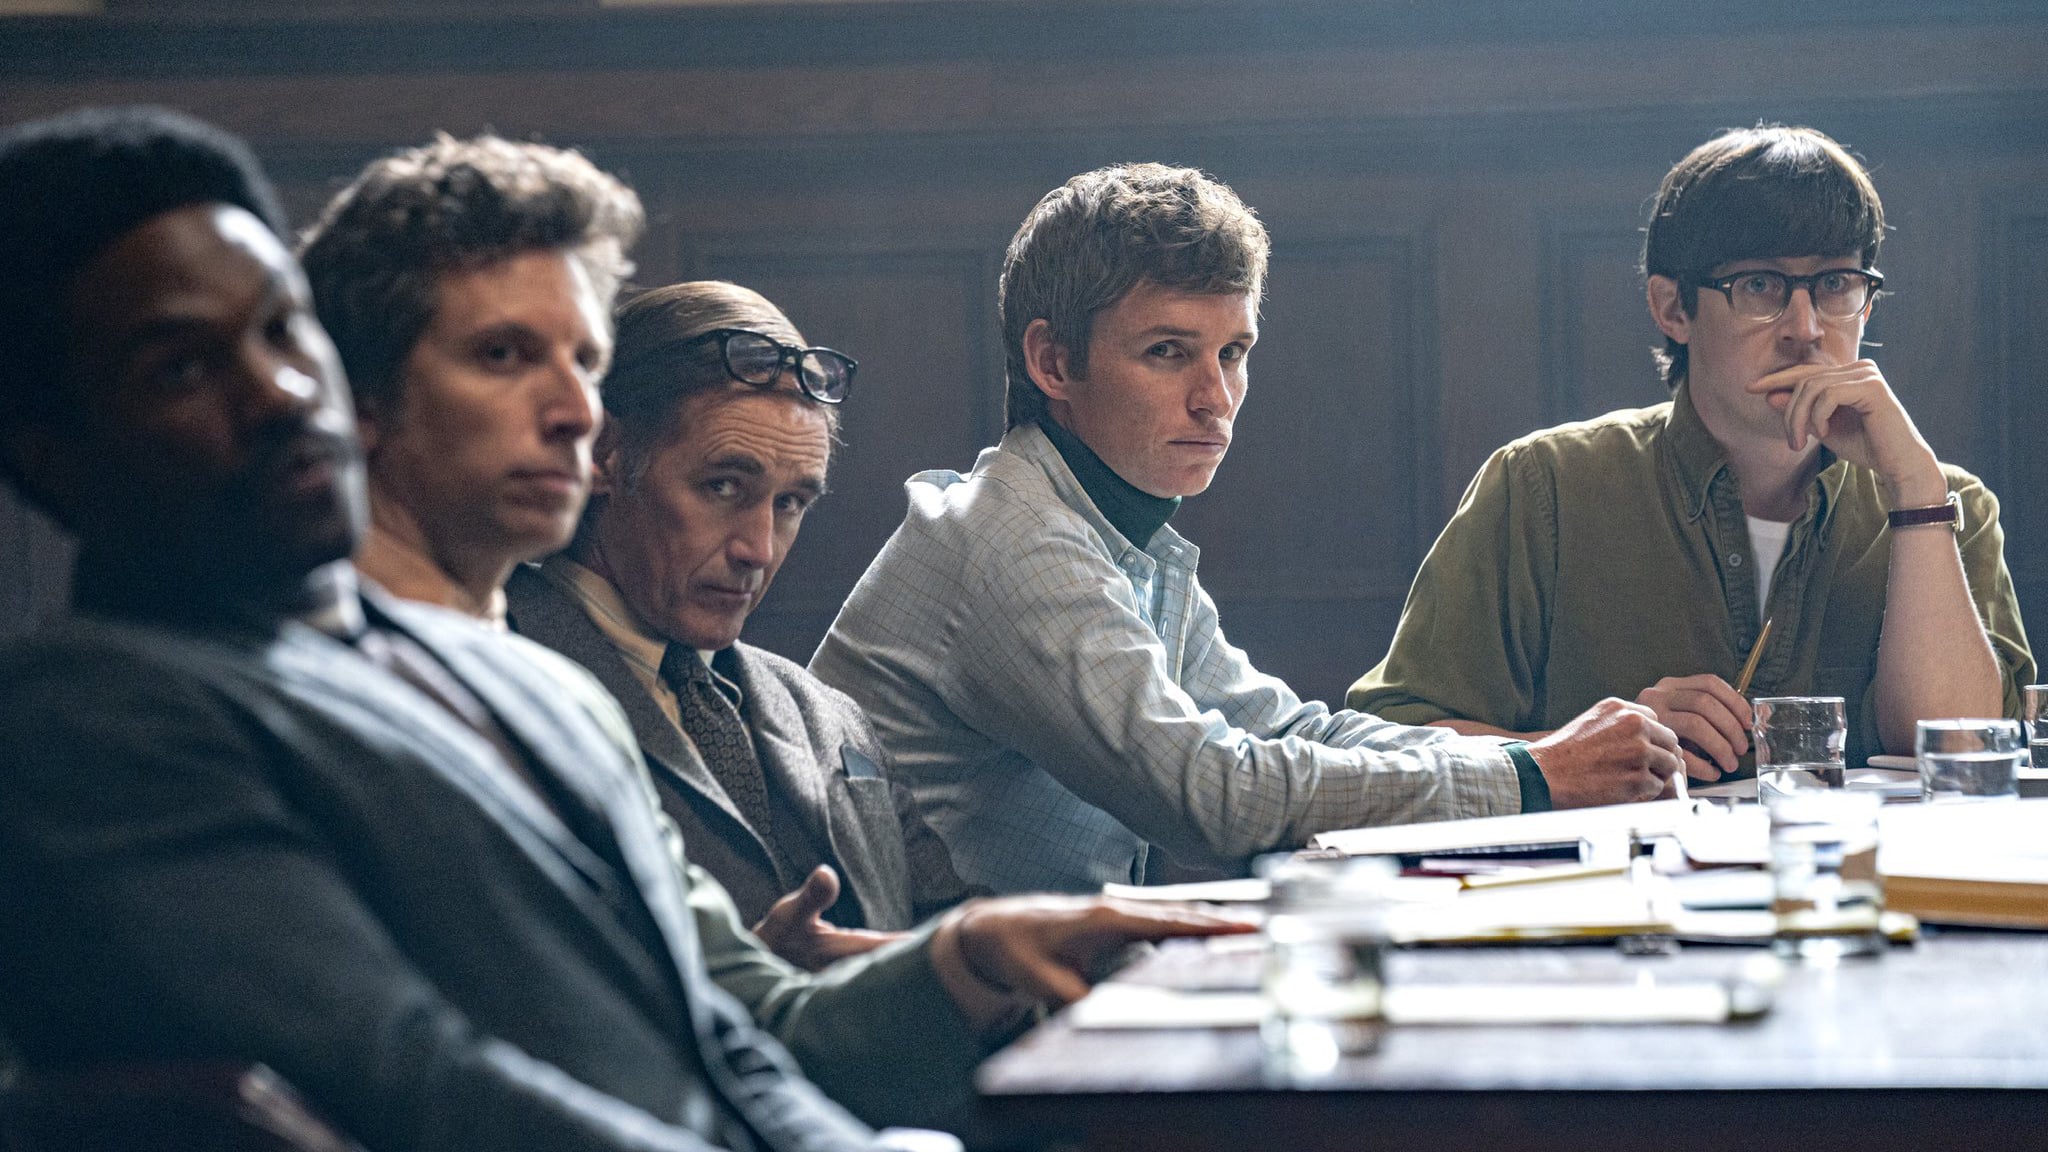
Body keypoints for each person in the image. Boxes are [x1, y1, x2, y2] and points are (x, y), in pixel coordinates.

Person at [0, 106, 1247, 1151]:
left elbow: (735, 1042)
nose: (279, 391)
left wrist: (955, 979)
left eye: (283, 334)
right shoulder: (90, 714)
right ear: (43, 451)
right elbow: (415, 1081)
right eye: (180, 367)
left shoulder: (524, 685)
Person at [811, 162, 1684, 896]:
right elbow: (1212, 796)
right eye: (1167, 352)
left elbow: (1291, 731)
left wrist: (1543, 758)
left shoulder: (1115, 534)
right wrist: (1531, 778)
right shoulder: (1013, 540)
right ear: (1053, 361)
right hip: (932, 1023)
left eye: (1232, 353)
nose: (1215, 398)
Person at [1349, 125, 2034, 778]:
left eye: (1835, 285)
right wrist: (1581, 750)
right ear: (1673, 308)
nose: (1804, 329)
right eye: (1760, 285)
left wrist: (1916, 496)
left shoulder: (1945, 503)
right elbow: (1392, 742)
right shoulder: (1543, 487)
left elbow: (1965, 754)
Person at [504, 281, 968, 957]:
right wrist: (757, 986)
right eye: (723, 487)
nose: (759, 549)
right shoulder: (495, 688)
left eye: (790, 503)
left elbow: (956, 935)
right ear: (605, 457)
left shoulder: (829, 714)